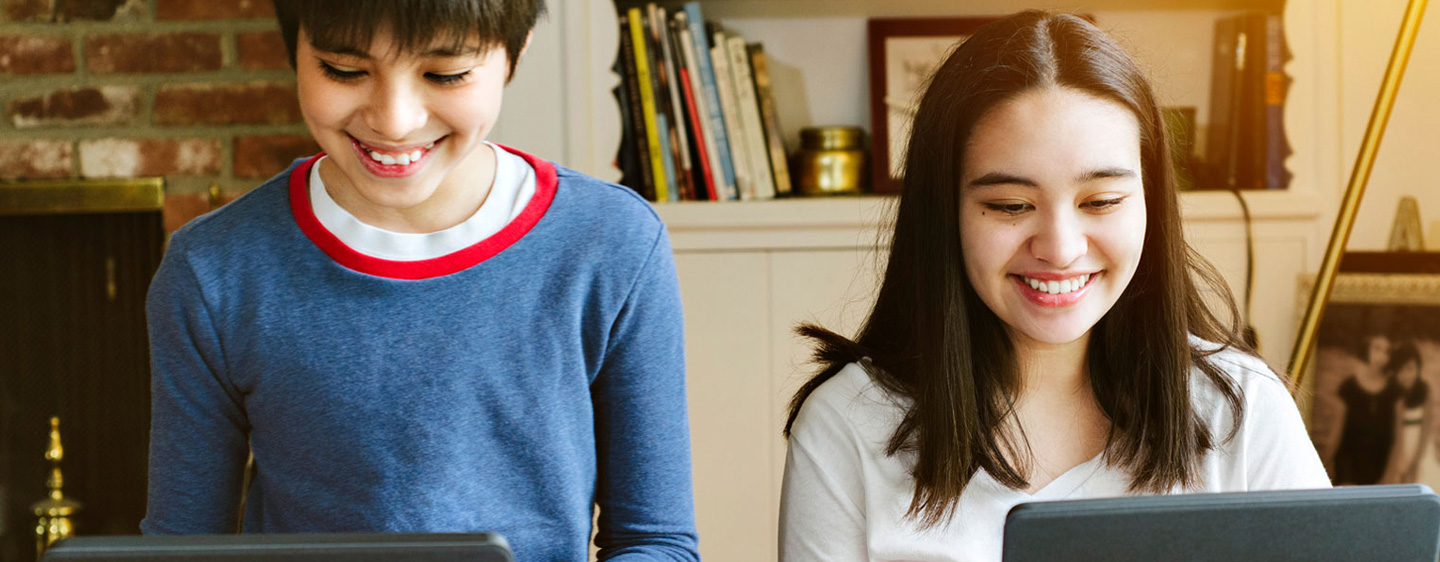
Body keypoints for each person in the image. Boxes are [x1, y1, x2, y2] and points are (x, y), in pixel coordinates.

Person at [141, 1, 699, 560]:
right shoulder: (211, 269)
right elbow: (182, 546)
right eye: (344, 70)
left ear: (514, 53)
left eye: (446, 74)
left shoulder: (611, 243)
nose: (395, 120)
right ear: (294, 53)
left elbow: (655, 542)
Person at [778, 11, 1330, 561]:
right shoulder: (845, 426)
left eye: (1102, 202)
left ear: (1150, 205)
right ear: (943, 213)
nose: (1061, 248)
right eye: (1010, 206)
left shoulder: (1243, 408)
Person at [1331, 334, 1400, 485]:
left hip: (1380, 465)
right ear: (1367, 350)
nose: (1381, 355)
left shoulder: (1394, 390)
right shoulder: (1349, 387)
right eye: (1377, 349)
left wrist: (1389, 475)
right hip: (1348, 464)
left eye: (1387, 351)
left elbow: (1398, 436)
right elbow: (1337, 431)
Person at [1381, 341, 1431, 484]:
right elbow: (1394, 434)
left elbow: (1426, 429)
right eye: (1401, 370)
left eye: (1411, 369)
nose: (1406, 375)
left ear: (1418, 369)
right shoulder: (1392, 393)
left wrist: (1416, 461)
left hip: (1420, 449)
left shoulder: (1424, 390)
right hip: (1396, 449)